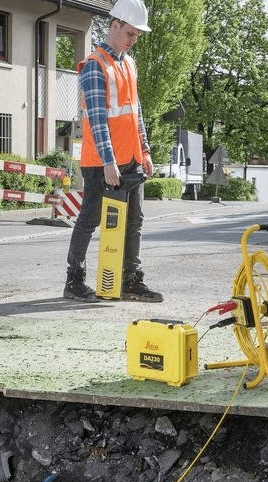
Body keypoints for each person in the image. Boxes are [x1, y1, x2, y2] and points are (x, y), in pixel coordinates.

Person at [63, 0, 163, 303]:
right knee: (90, 220)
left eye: (137, 36)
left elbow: (136, 113)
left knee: (135, 221)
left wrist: (144, 150)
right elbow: (97, 119)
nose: (133, 40)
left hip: (130, 159)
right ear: (115, 25)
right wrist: (108, 161)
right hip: (101, 164)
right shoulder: (96, 65)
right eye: (130, 33)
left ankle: (130, 280)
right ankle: (74, 280)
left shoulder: (128, 63)